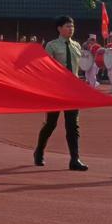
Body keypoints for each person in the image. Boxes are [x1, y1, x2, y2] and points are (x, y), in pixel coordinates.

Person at [33, 16, 88, 171]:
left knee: (73, 125)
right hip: (56, 90)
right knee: (51, 123)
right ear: (59, 28)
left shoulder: (77, 46)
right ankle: (39, 151)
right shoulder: (52, 46)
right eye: (67, 26)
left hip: (73, 91)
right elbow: (45, 68)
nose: (71, 28)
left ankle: (75, 159)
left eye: (72, 26)